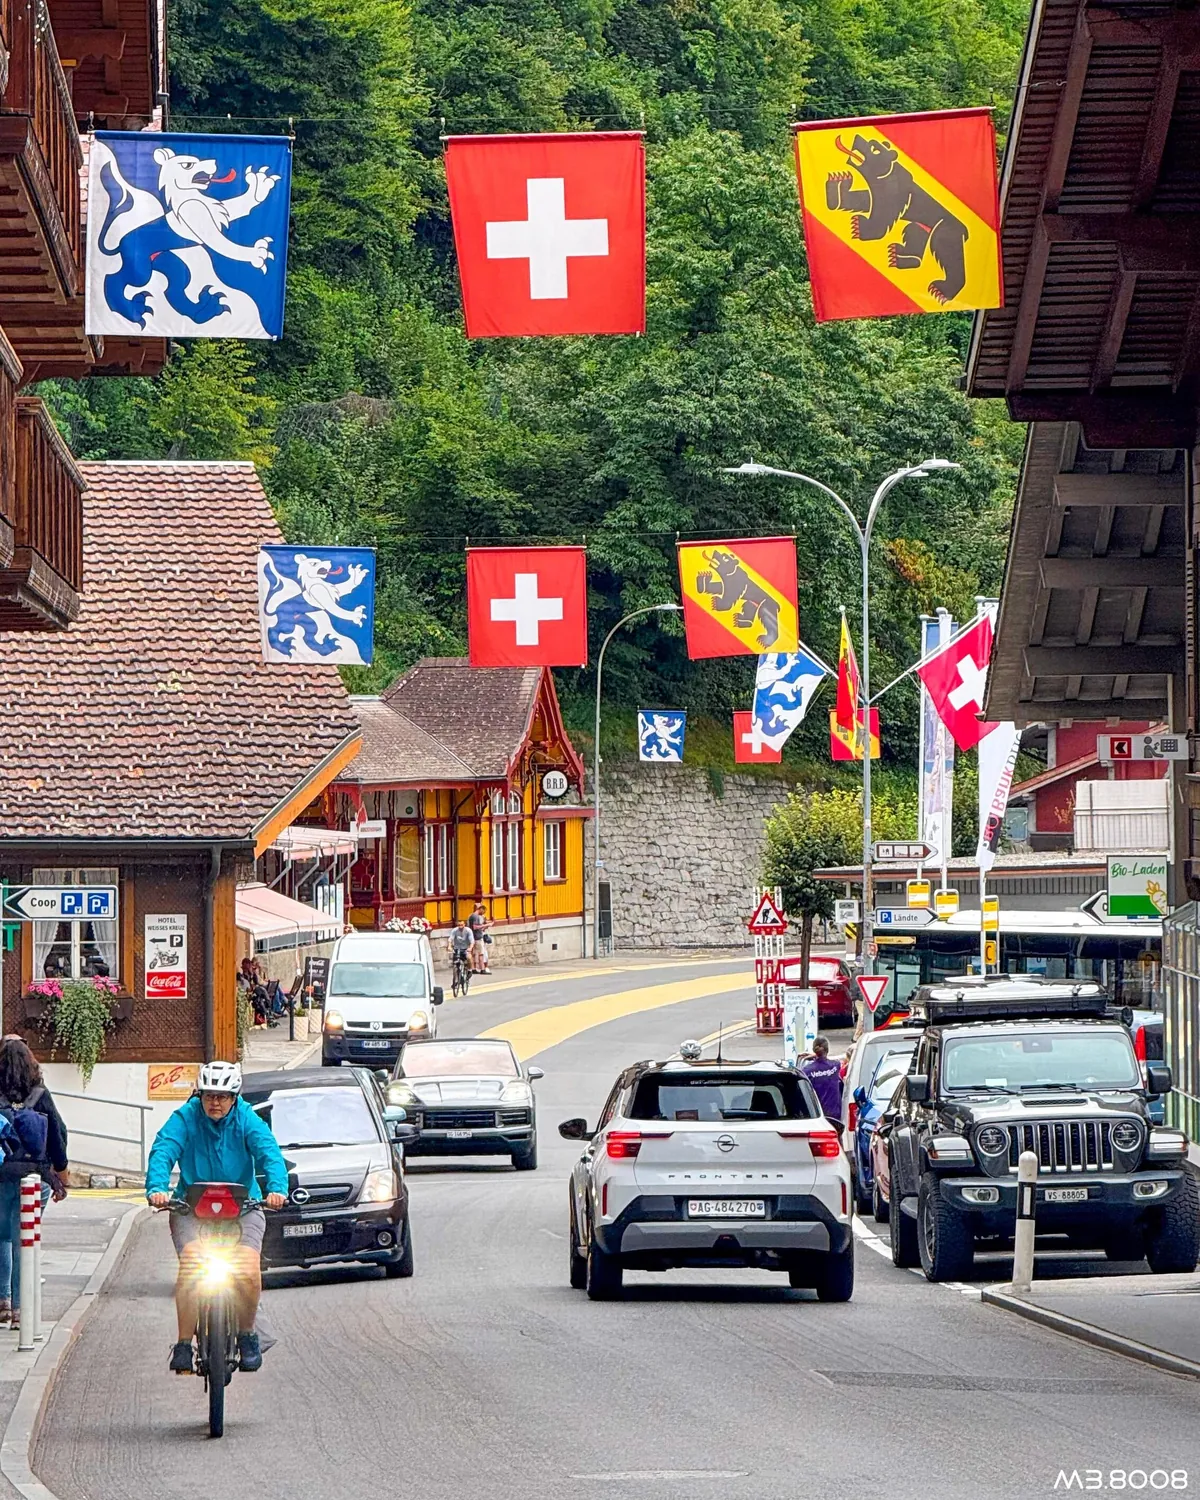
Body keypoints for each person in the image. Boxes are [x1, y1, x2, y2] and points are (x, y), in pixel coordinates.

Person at [146, 1061, 288, 1376]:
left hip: (243, 1208)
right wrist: (157, 1188)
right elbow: (163, 1150)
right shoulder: (184, 1118)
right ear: (200, 1094)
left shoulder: (247, 1119)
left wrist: (277, 1189)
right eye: (210, 1095)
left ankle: (248, 1334)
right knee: (192, 1264)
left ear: (235, 1097)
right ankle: (184, 1344)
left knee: (248, 1270)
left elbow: (269, 1152)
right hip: (190, 1208)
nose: (215, 1103)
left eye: (223, 1097)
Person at [0, 1038, 69, 1329]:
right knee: (22, 1242)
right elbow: (57, 1132)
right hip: (34, 1178)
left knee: (2, 1238)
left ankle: (2, 1300)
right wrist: (61, 1174)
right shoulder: (40, 1094)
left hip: (1, 1175)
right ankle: (20, 1311)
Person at [800, 1036, 843, 1120]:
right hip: (835, 1115)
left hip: (817, 1115)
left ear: (814, 1049)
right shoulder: (835, 1066)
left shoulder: (807, 1071)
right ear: (827, 1050)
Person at [468, 903, 489, 973]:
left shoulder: (471, 916)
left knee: (473, 954)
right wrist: (485, 925)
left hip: (473, 937)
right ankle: (482, 969)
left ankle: (473, 968)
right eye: (483, 911)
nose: (483, 913)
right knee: (481, 954)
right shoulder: (476, 916)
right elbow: (475, 927)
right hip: (477, 937)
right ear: (480, 909)